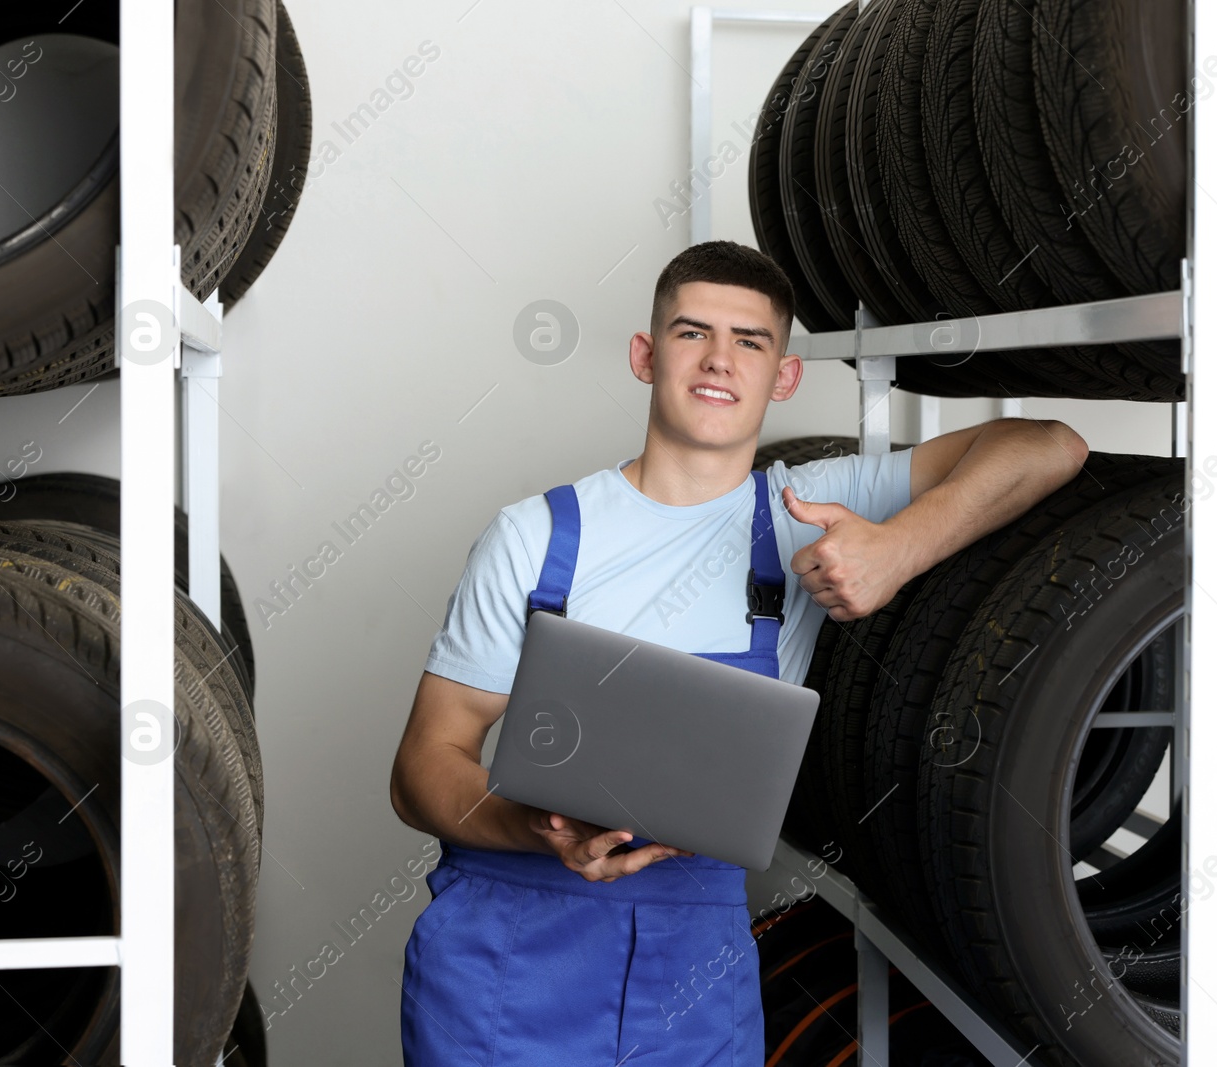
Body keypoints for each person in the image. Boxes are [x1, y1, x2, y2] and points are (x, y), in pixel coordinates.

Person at [388, 239, 1087, 1065]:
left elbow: (1050, 442)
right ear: (647, 356)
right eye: (692, 333)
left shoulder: (806, 508)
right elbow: (422, 766)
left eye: (750, 341)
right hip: (506, 954)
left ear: (783, 376)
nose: (719, 359)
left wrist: (900, 548)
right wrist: (537, 832)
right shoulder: (537, 537)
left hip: (693, 970)